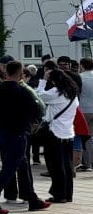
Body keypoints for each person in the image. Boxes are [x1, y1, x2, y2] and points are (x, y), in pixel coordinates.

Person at [0, 60, 49, 214]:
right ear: (20, 74)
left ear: (6, 72)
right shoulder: (22, 90)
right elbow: (38, 109)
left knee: (23, 164)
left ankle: (32, 199)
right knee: (9, 168)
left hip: (3, 132)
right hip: (18, 132)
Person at [36, 68, 79, 203]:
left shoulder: (56, 93)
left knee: (55, 165)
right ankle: (67, 194)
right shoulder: (73, 94)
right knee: (66, 164)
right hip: (68, 133)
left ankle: (59, 194)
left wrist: (43, 81)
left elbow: (38, 97)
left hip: (54, 132)